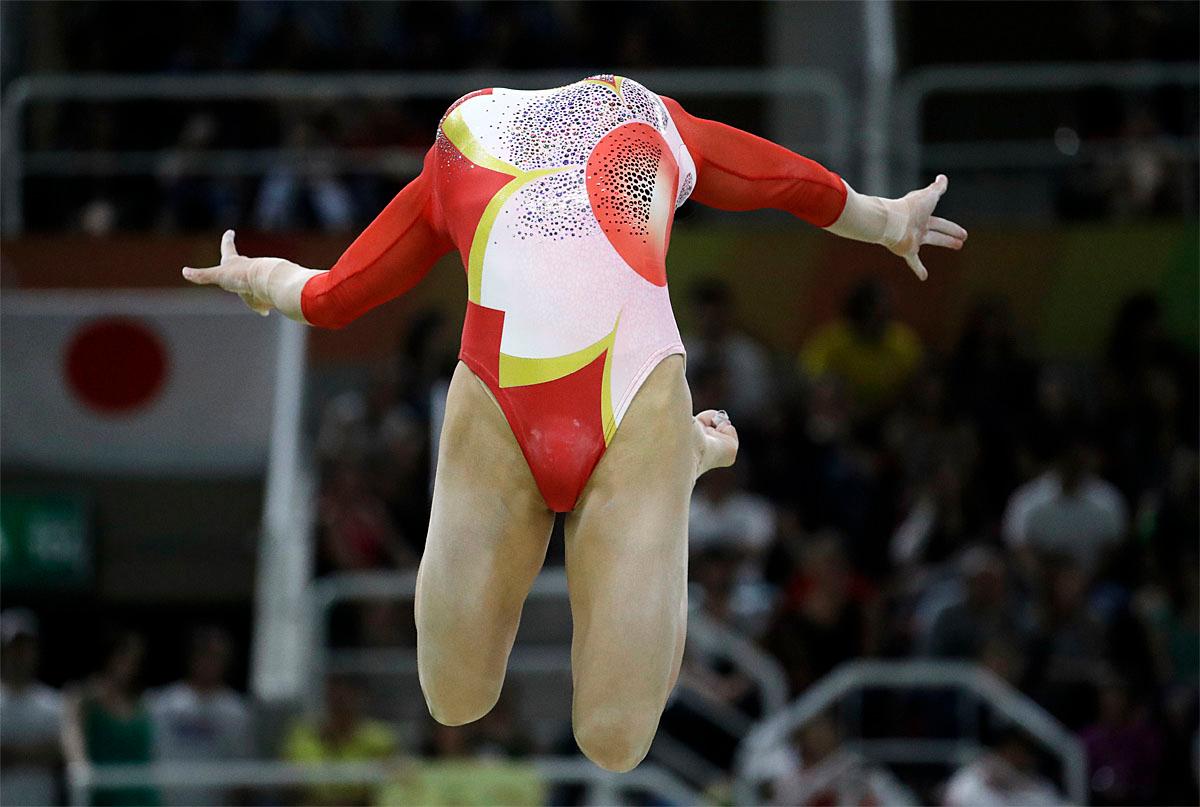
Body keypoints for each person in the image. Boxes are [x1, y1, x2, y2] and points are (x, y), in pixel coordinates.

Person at [183, 73, 965, 771]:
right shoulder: (466, 143)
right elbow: (333, 295)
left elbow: (779, 178)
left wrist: (887, 218)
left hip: (636, 409)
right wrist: (255, 273)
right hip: (498, 413)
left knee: (614, 740)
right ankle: (678, 467)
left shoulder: (642, 120)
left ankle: (678, 467)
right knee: (453, 695)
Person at [149, 627, 253, 807]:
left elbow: (243, 771)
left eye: (217, 657)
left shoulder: (235, 711)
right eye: (204, 655)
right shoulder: (162, 704)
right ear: (192, 658)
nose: (209, 663)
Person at [62, 631, 159, 807]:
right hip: (104, 794)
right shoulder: (82, 698)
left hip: (143, 797)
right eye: (123, 654)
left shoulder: (144, 703)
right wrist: (80, 770)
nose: (129, 664)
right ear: (109, 655)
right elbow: (71, 737)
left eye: (135, 658)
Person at [282, 675, 397, 807]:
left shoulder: (379, 737)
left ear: (358, 701)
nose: (340, 707)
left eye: (346, 702)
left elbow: (386, 783)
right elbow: (291, 784)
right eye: (335, 702)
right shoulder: (302, 736)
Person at [0, 610, 64, 807]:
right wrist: (38, 752)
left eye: (25, 649)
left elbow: (61, 752)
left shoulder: (54, 704)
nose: (19, 656)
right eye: (14, 649)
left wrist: (11, 753)